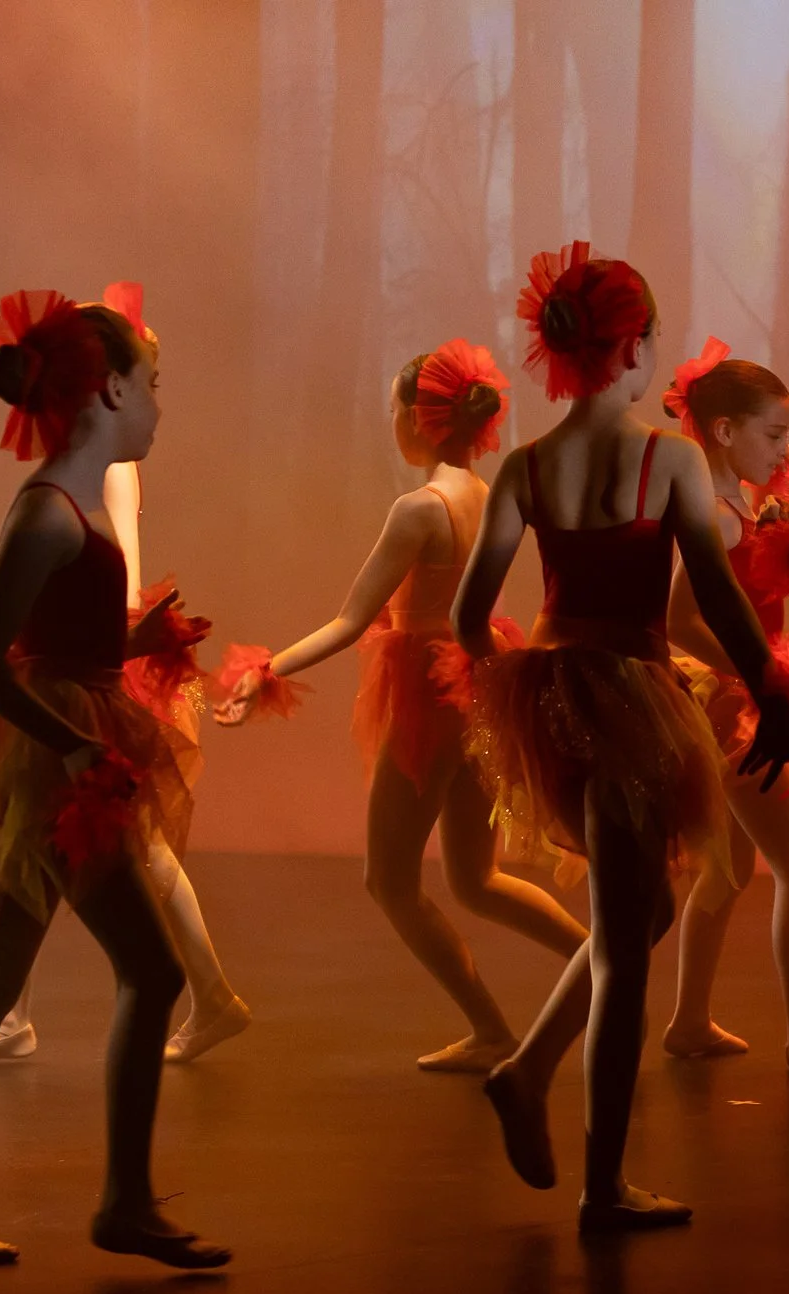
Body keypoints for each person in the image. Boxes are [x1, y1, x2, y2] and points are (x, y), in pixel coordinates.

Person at [455, 243, 789, 1230]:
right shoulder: (671, 459)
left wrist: (512, 697)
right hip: (633, 697)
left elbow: (469, 614)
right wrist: (771, 693)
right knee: (626, 946)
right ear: (635, 347)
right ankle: (601, 1181)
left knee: (643, 908)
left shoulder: (526, 467)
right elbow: (726, 600)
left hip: (557, 692)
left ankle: (526, 1072)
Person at [0, 288, 225, 1268]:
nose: (161, 407)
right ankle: (121, 1199)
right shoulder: (46, 514)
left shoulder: (77, 508)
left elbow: (62, 636)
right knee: (151, 970)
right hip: (51, 763)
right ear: (112, 389)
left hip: (67, 738)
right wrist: (75, 745)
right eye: (153, 387)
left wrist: (140, 638)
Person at [213, 339, 585, 1071]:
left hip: (428, 691)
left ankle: (493, 1025)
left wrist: (267, 669)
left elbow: (352, 618)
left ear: (417, 421)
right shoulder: (491, 494)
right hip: (482, 684)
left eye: (392, 408)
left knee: (389, 877)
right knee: (475, 879)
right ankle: (601, 965)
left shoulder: (420, 509)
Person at [0, 282, 251, 1067]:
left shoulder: (104, 471)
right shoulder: (78, 472)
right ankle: (17, 1008)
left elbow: (120, 566)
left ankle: (201, 992)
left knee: (109, 844)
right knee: (80, 843)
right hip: (90, 651)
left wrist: (129, 644)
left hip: (96, 663)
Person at [654, 338, 789, 1072]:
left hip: (735, 696)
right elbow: (678, 617)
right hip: (734, 703)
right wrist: (754, 674)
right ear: (722, 431)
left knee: (728, 869)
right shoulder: (713, 516)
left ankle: (688, 1020)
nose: (784, 450)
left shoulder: (729, 504)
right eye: (773, 436)